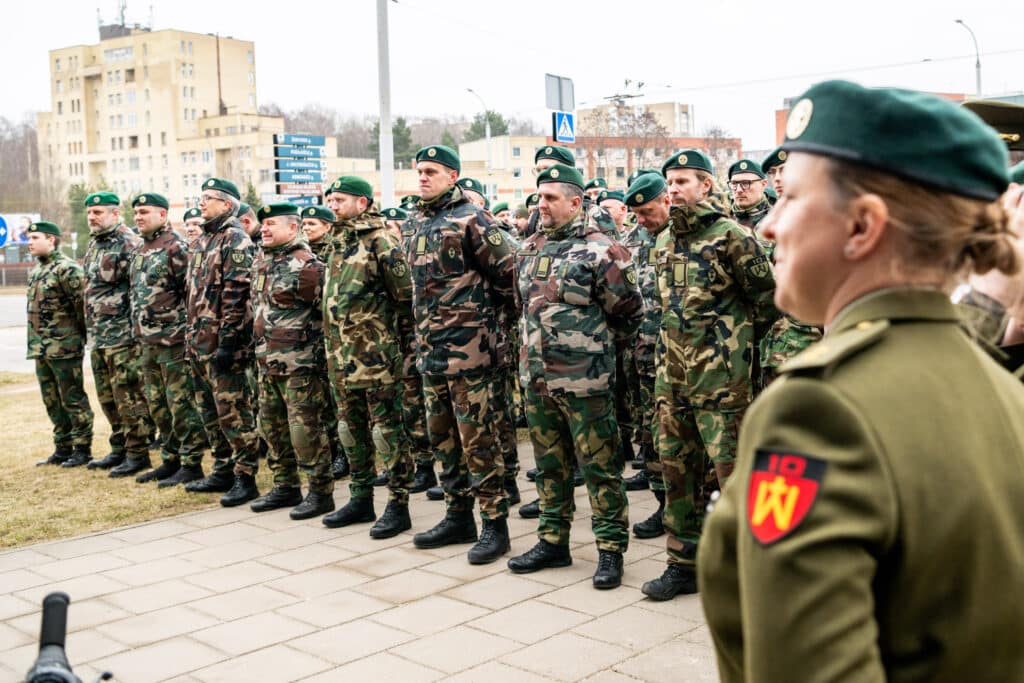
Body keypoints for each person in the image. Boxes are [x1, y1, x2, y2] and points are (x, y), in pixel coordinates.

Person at [699, 79, 1024, 682]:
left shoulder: (821, 411)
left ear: (862, 226)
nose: (768, 226)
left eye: (791, 198)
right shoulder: (1002, 383)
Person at [637, 161, 777, 601]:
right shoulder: (662, 240)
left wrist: (733, 355)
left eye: (682, 182)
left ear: (705, 185)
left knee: (733, 476)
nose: (673, 190)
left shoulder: (733, 236)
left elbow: (767, 302)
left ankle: (749, 570)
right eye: (670, 184)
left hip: (722, 383)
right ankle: (682, 564)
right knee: (676, 472)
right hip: (673, 381)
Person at [507, 164, 644, 589]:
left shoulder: (603, 250)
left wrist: (593, 350)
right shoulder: (528, 249)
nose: (541, 205)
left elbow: (629, 313)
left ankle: (610, 549)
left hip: (586, 380)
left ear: (575, 202)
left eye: (550, 198)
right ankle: (552, 540)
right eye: (539, 197)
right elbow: (521, 306)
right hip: (537, 379)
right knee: (549, 466)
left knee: (601, 467)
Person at [405, 144, 516, 565]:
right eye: (419, 171)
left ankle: (494, 525)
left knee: (479, 441)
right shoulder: (416, 221)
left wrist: (488, 328)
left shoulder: (474, 219)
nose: (423, 177)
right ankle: (457, 515)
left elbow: (509, 276)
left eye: (431, 171)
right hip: (431, 352)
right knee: (444, 440)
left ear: (453, 176)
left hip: (472, 353)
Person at [320, 176, 417, 538]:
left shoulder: (381, 240)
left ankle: (398, 503)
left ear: (363, 203)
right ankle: (360, 497)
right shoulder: (337, 241)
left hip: (376, 357)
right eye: (331, 198)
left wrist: (401, 350)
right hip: (340, 358)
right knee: (349, 429)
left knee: (386, 432)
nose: (333, 204)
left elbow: (405, 298)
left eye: (341, 199)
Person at [247, 203, 335, 519]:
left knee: (305, 431)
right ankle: (285, 486)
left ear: (292, 228)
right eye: (263, 224)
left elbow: (328, 314)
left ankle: (320, 492)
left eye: (271, 224)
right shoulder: (262, 263)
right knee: (271, 427)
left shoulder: (309, 266)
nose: (265, 229)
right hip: (266, 362)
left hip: (300, 365)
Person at [183, 178, 261, 507]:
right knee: (209, 410)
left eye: (208, 199)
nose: (201, 204)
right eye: (200, 198)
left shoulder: (235, 239)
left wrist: (228, 340)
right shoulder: (203, 239)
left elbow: (238, 294)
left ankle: (246, 477)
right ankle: (223, 468)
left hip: (223, 343)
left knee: (233, 411)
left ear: (226, 205)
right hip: (199, 341)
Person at [128, 193, 207, 487]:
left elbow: (193, 295)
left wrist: (189, 336)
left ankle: (191, 463)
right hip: (146, 342)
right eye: (135, 212)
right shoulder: (140, 250)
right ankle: (170, 459)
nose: (138, 217)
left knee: (181, 404)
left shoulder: (178, 248)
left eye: (144, 212)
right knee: (157, 405)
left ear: (162, 215)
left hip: (173, 342)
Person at [80, 192, 151, 474]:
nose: (92, 217)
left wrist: (135, 332)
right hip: (99, 336)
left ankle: (138, 452)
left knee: (129, 395)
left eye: (98, 212)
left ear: (115, 214)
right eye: (89, 213)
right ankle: (120, 447)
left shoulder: (130, 244)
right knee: (107, 396)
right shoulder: (95, 244)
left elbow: (140, 291)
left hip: (123, 337)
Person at [25, 221, 94, 467]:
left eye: (35, 237)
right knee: (51, 400)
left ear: (51, 239)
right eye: (29, 238)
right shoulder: (36, 271)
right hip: (41, 348)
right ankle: (62, 447)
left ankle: (82, 449)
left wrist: (78, 339)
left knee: (72, 399)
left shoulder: (67, 269)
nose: (29, 242)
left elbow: (82, 308)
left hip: (64, 348)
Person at [300, 205, 347, 481]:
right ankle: (330, 449)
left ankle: (342, 453)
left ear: (328, 227)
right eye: (304, 225)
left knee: (335, 401)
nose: (307, 229)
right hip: (312, 337)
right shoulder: (304, 255)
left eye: (313, 225)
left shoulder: (332, 253)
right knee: (322, 401)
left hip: (330, 337)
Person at [727, 159, 771, 228]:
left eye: (745, 183)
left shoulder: (778, 221)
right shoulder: (721, 221)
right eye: (734, 183)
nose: (739, 190)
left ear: (763, 184)